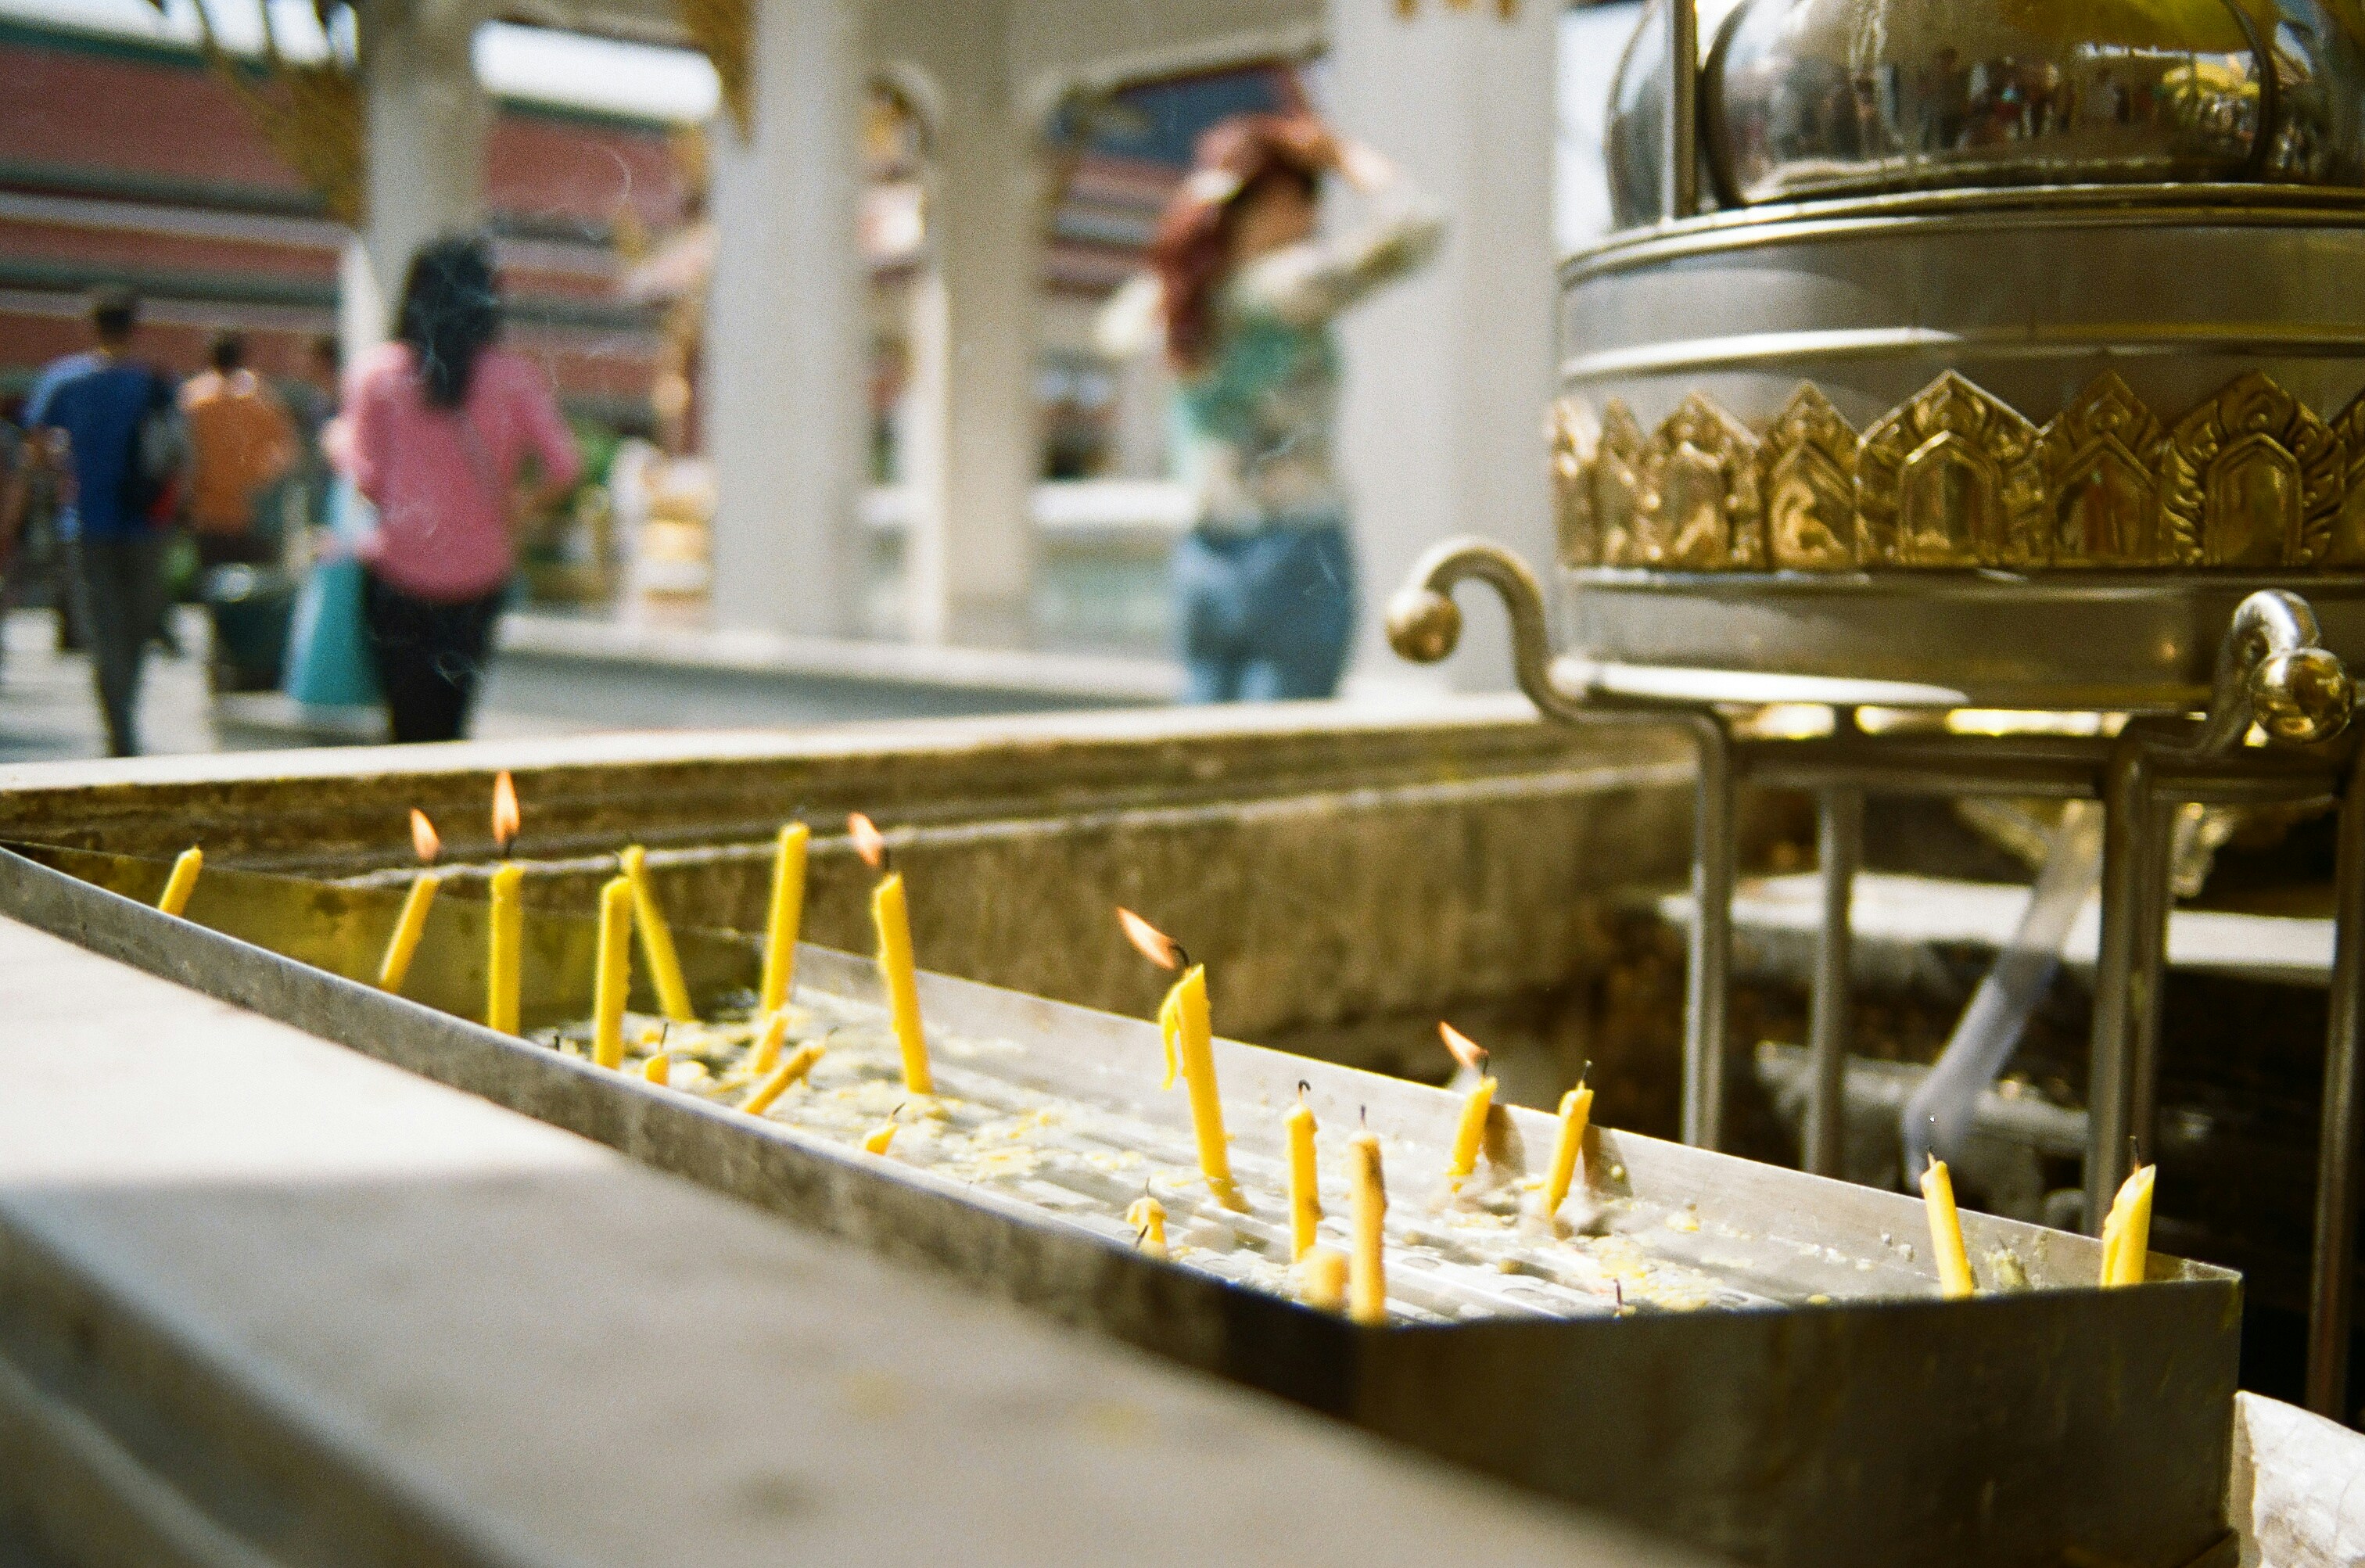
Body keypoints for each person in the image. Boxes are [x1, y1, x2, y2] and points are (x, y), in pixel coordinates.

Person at [1098, 113, 1443, 702]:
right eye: (1301, 201)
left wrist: (1202, 208)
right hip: (1295, 550)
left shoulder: (1173, 302)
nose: (1311, 219)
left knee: (1205, 752)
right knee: (1282, 755)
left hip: (1205, 552)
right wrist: (1343, 156)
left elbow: (1112, 332)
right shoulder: (1286, 286)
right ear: (1271, 203)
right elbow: (1419, 227)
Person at [346, 234, 580, 744]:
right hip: (479, 579)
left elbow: (365, 482)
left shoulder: (378, 374)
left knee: (404, 729)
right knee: (451, 730)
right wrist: (518, 509)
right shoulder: (514, 378)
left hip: (397, 577)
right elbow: (565, 465)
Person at [23, 289, 184, 756]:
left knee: (102, 629)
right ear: (135, 329)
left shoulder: (65, 380)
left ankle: (118, 726)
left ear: (91, 326)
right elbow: (179, 454)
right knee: (135, 628)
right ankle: (124, 719)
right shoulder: (155, 381)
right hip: (147, 523)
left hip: (87, 523)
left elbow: (35, 447)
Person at [181, 332, 296, 571]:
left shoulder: (193, 399)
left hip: (207, 510)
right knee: (253, 587)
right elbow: (286, 451)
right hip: (252, 510)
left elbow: (182, 455)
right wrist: (260, 479)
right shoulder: (260, 398)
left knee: (212, 584)